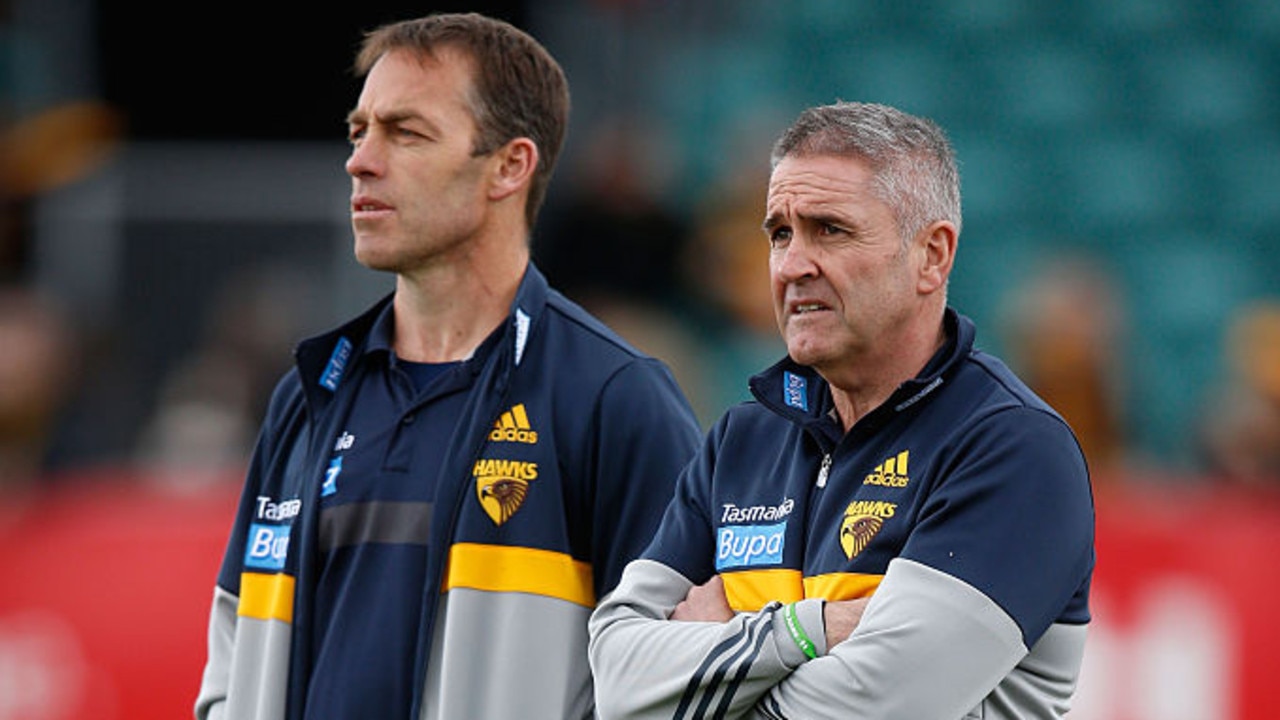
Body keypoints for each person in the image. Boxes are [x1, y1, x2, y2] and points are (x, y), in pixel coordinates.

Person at [194, 13, 702, 720]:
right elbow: (232, 654)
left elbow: (684, 674)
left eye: (406, 133)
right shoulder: (307, 396)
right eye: (359, 130)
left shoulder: (614, 397)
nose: (361, 160)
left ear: (509, 166)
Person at [588, 101, 1095, 719]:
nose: (792, 265)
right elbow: (615, 683)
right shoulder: (741, 441)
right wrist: (808, 631)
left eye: (830, 229)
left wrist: (704, 665)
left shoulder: (1011, 448)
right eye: (780, 232)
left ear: (931, 255)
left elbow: (867, 711)